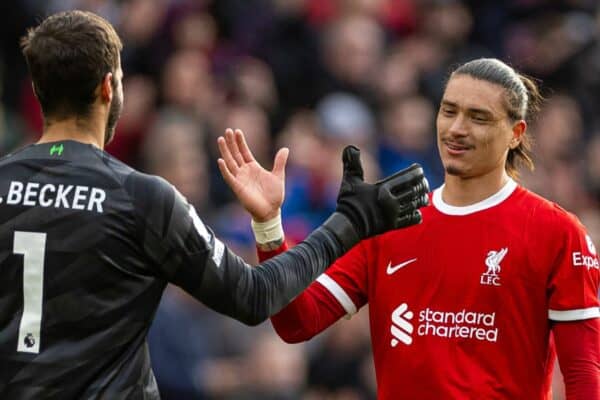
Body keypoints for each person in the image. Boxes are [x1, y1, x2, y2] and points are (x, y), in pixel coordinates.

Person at [0, 11, 430, 399]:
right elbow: (255, 296)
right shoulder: (141, 197)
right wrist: (350, 222)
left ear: (39, 89)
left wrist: (267, 224)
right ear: (109, 87)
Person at [219, 58, 600, 399]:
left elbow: (583, 374)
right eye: (448, 111)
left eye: (478, 117)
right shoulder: (392, 223)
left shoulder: (557, 232)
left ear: (515, 133)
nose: (457, 128)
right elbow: (296, 323)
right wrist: (269, 223)